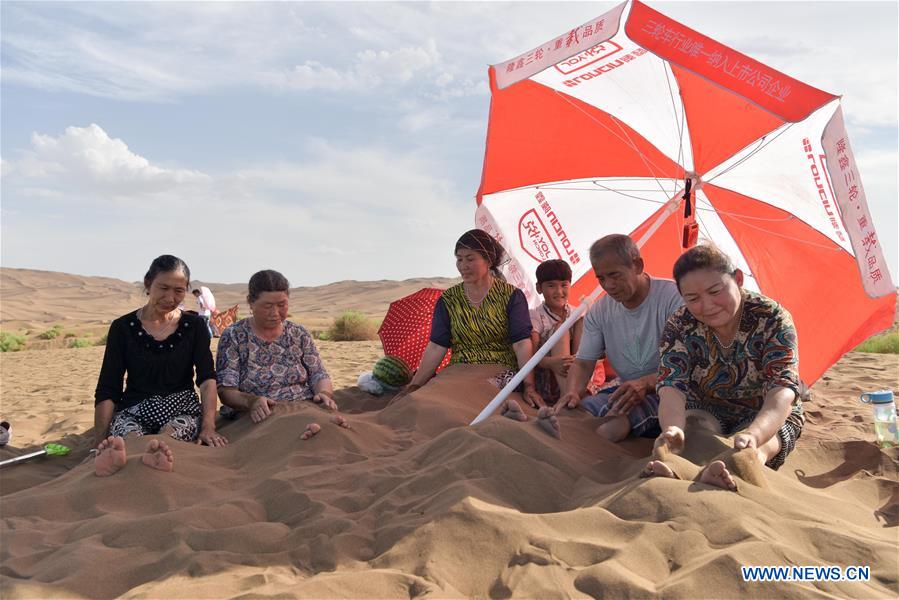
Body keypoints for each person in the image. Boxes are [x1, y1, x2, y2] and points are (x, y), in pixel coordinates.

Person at [643, 245, 803, 490]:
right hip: (706, 406)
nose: (707, 306)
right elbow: (671, 386)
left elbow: (782, 389)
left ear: (737, 279)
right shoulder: (679, 324)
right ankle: (679, 469)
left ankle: (739, 469)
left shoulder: (772, 317)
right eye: (693, 299)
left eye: (715, 291)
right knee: (693, 431)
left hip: (763, 412)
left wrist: (754, 435)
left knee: (754, 449)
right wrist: (673, 428)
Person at [93, 255, 228, 477]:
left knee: (171, 436)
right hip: (133, 410)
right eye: (163, 288)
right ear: (148, 284)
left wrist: (208, 427)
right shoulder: (122, 328)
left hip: (181, 407)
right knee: (129, 438)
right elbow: (108, 387)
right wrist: (99, 442)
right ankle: (125, 457)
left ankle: (156, 456)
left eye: (179, 290)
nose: (170, 297)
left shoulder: (194, 326)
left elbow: (206, 380)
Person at [554, 234, 683, 442]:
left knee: (617, 423)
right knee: (576, 412)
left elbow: (688, 365)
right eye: (601, 278)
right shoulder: (599, 311)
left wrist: (646, 383)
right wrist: (572, 392)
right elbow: (584, 363)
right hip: (626, 387)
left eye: (615, 275)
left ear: (637, 265)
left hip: (675, 388)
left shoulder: (673, 298)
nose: (609, 285)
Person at [396, 229, 542, 408]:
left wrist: (529, 386)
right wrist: (414, 385)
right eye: (459, 259)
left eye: (470, 258)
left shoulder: (511, 296)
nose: (463, 265)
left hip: (501, 369)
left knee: (470, 396)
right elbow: (436, 346)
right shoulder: (448, 300)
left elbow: (521, 343)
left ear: (488, 260)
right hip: (459, 370)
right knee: (434, 396)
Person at [216, 269, 336, 423]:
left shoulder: (299, 333)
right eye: (267, 306)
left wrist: (324, 394)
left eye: (282, 305)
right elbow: (226, 391)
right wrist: (251, 401)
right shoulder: (234, 335)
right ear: (250, 302)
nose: (275, 313)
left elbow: (318, 374)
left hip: (303, 405)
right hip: (258, 414)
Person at [529, 259, 583, 404]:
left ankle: (576, 392)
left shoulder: (577, 313)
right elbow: (531, 356)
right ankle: (567, 397)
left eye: (564, 285)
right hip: (549, 375)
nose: (559, 292)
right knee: (561, 329)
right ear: (539, 288)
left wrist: (574, 361)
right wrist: (551, 363)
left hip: (576, 371)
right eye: (551, 286)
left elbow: (582, 356)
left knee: (582, 319)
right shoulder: (536, 315)